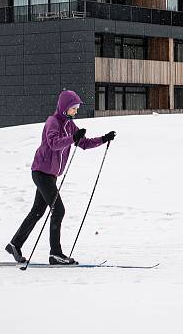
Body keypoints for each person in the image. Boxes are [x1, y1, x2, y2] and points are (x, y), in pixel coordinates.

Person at [6, 90, 115, 265]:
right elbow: (54, 144)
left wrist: (103, 139)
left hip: (50, 174)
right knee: (59, 210)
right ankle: (55, 254)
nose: (76, 112)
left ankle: (15, 244)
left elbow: (83, 143)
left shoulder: (70, 125)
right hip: (41, 172)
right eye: (73, 108)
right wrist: (72, 138)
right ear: (65, 108)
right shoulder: (53, 122)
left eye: (77, 108)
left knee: (37, 211)